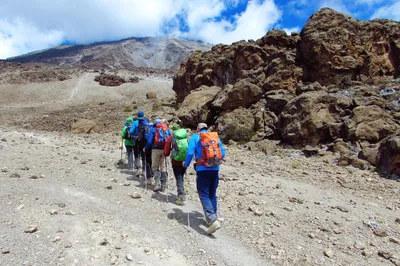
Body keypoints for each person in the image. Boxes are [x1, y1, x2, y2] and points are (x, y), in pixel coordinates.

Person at [183, 122, 226, 235]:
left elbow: (190, 152)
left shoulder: (195, 137)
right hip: (215, 169)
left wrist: (186, 164)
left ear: (198, 129)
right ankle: (213, 217)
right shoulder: (214, 137)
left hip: (202, 169)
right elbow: (223, 152)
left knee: (203, 193)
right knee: (212, 193)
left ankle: (212, 220)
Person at [164, 123, 188, 205]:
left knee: (179, 177)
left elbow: (167, 147)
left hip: (176, 160)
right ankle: (182, 191)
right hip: (185, 160)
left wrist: (166, 154)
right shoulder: (185, 135)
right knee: (181, 176)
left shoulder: (171, 136)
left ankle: (181, 196)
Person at [144, 118, 170, 192]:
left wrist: (146, 148)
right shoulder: (166, 129)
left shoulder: (153, 130)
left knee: (155, 167)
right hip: (164, 150)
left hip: (155, 149)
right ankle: (163, 184)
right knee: (163, 167)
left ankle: (157, 182)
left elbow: (149, 141)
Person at [129, 110, 151, 177]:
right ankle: (144, 170)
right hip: (145, 141)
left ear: (138, 115)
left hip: (137, 141)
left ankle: (139, 168)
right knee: (144, 155)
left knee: (137, 154)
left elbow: (131, 131)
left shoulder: (135, 122)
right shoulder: (146, 121)